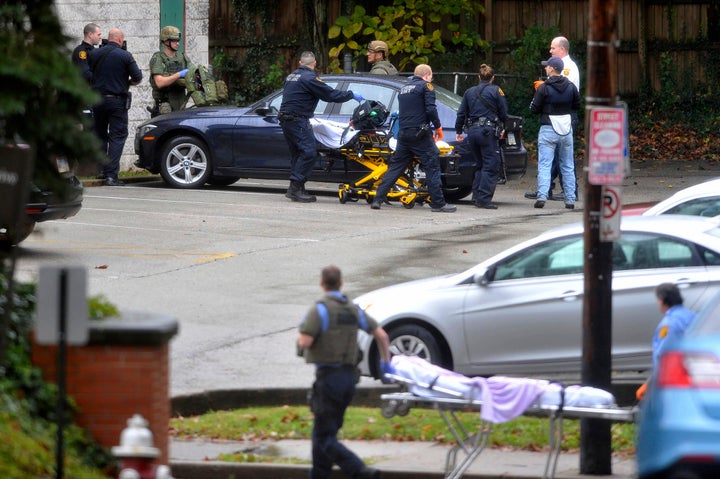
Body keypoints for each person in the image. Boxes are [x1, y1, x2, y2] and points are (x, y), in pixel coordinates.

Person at [297, 265, 392, 479]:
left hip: (328, 380)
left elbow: (305, 341)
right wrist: (386, 364)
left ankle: (359, 470)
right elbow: (382, 336)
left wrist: (301, 336)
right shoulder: (353, 309)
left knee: (323, 438)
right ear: (341, 283)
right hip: (349, 380)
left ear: (322, 283)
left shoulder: (319, 309)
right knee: (323, 433)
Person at [371, 64, 456, 213]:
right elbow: (430, 109)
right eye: (431, 77)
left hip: (403, 134)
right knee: (432, 163)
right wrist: (438, 127)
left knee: (396, 167)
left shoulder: (404, 89)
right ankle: (438, 203)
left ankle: (378, 198)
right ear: (427, 75)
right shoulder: (426, 87)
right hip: (420, 134)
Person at [279, 51, 362, 202]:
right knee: (309, 152)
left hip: (286, 119)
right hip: (298, 120)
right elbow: (330, 95)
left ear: (299, 63)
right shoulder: (310, 78)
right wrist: (351, 95)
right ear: (315, 63)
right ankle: (295, 188)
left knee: (298, 153)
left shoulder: (292, 77)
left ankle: (297, 188)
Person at [525, 36, 581, 202]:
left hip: (560, 116)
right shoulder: (565, 69)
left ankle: (560, 191)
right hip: (564, 116)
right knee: (562, 158)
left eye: (553, 48)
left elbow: (562, 91)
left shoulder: (568, 68)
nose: (550, 50)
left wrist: (543, 90)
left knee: (558, 159)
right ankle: (554, 190)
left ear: (562, 50)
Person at [89, 28, 142, 186]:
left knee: (100, 135)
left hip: (97, 100)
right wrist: (127, 83)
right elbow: (138, 78)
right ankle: (111, 175)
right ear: (120, 40)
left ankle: (100, 171)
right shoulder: (125, 55)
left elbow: (87, 74)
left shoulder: (94, 54)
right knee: (117, 137)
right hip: (116, 101)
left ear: (108, 38)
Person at [454, 64, 509, 209]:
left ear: (479, 77)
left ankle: (477, 196)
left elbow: (461, 113)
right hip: (488, 132)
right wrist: (504, 127)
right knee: (491, 165)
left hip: (472, 132)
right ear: (492, 78)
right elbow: (504, 112)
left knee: (479, 164)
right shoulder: (496, 91)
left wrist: (458, 131)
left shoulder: (469, 92)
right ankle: (484, 199)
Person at [636, 283, 697, 400]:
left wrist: (650, 384)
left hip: (675, 384)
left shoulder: (668, 325)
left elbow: (663, 357)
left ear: (662, 301)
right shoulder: (693, 316)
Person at [149, 26, 191, 115]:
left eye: (178, 41)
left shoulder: (183, 57)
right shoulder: (158, 58)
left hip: (181, 106)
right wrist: (179, 75)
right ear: (166, 41)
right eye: (174, 41)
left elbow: (193, 73)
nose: (177, 43)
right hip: (165, 107)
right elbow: (159, 83)